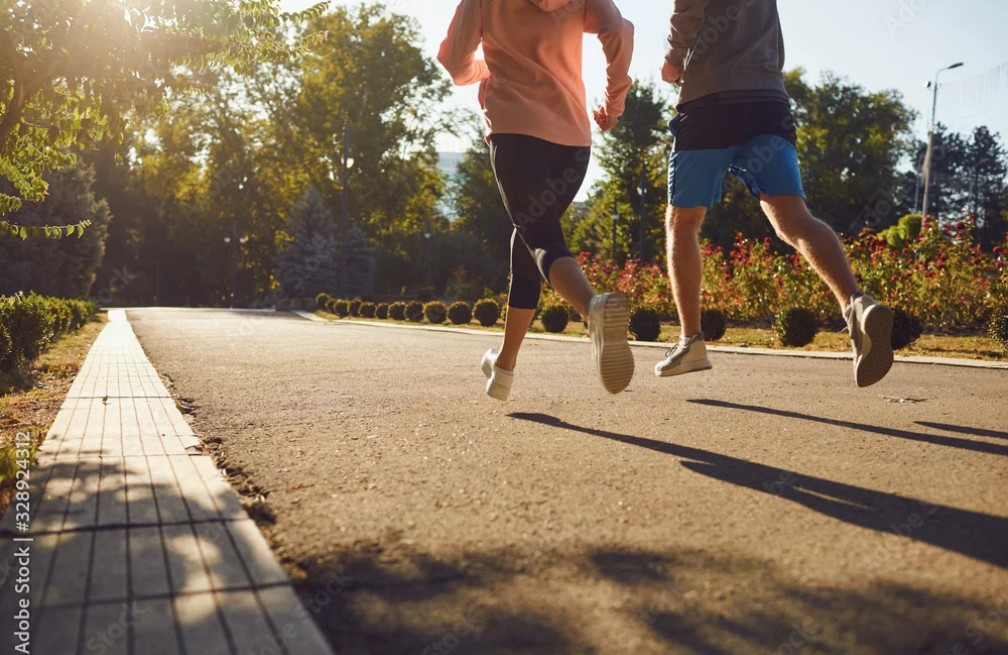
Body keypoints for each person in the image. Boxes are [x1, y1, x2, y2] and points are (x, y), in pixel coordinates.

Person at [656, 0, 894, 388]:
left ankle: (691, 341)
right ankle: (856, 304)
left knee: (683, 223)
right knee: (795, 219)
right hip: (768, 99)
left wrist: (673, 58)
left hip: (709, 100)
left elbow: (689, 11)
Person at [438, 0, 637, 401]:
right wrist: (614, 103)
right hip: (573, 143)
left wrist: (485, 69)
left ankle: (592, 308)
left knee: (541, 237)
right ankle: (505, 365)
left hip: (516, 133)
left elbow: (456, 63)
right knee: (528, 239)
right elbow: (620, 30)